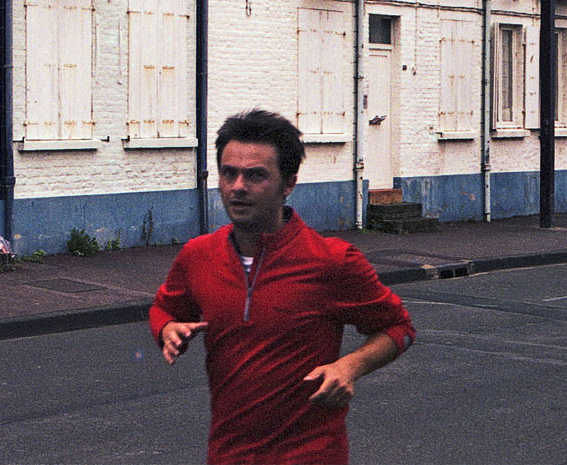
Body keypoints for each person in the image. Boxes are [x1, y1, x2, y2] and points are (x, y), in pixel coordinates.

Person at [151, 108, 414, 465]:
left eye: (256, 175)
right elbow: (164, 308)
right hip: (228, 455)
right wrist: (167, 328)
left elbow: (399, 328)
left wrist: (349, 367)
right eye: (229, 173)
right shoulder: (197, 256)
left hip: (310, 456)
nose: (238, 187)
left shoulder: (332, 260)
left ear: (288, 183)